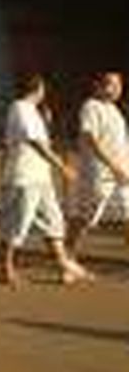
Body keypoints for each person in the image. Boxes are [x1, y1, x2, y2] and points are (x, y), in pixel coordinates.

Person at [0, 75, 91, 286]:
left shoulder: (33, 111)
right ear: (38, 89)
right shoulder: (20, 108)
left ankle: (63, 265)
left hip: (40, 177)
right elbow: (36, 143)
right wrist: (62, 167)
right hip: (24, 178)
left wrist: (46, 122)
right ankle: (6, 269)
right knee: (17, 225)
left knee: (54, 222)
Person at [66, 71, 129, 258]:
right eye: (111, 84)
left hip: (121, 173)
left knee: (128, 214)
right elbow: (90, 138)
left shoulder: (116, 111)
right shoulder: (91, 106)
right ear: (99, 86)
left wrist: (123, 167)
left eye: (119, 85)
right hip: (98, 174)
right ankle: (67, 257)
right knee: (85, 218)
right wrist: (112, 165)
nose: (116, 89)